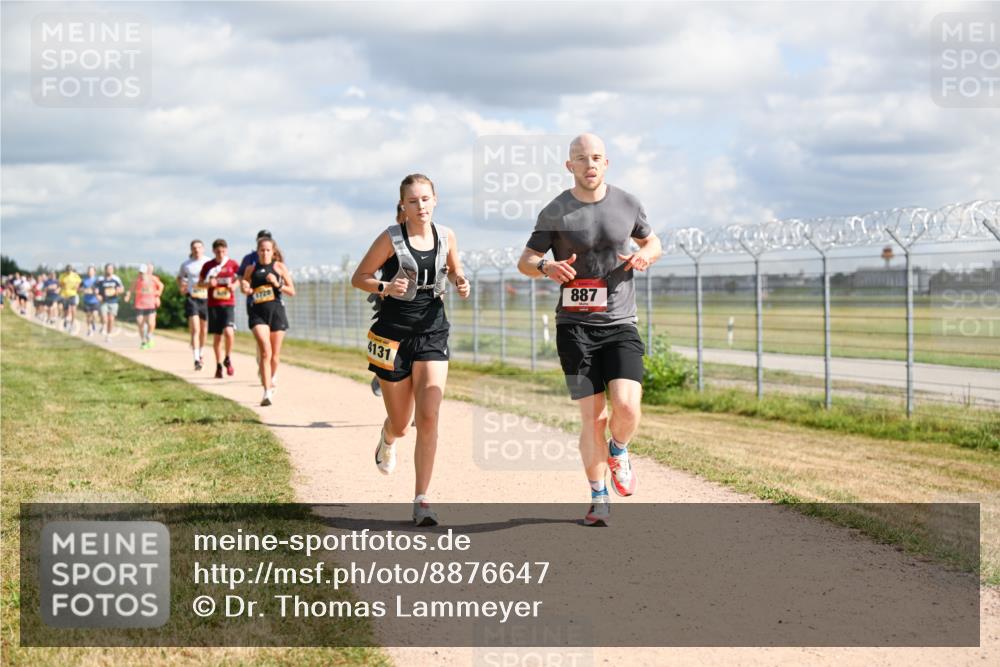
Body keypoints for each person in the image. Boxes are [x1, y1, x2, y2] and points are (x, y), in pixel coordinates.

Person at [517, 133, 662, 527]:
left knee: (627, 406)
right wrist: (546, 266)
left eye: (596, 157)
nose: (589, 164)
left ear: (606, 163)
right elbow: (526, 260)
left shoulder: (628, 203)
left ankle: (619, 448)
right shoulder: (555, 211)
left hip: (620, 323)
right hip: (574, 327)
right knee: (593, 418)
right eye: (581, 158)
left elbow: (653, 242)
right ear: (570, 166)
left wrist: (645, 256)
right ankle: (598, 496)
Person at [351, 173, 471, 526]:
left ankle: (422, 500)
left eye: (426, 199)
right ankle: (387, 438)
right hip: (393, 336)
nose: (421, 206)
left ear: (435, 199)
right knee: (402, 424)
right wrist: (385, 286)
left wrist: (460, 282)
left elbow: (455, 270)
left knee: (429, 416)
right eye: (413, 201)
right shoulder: (390, 238)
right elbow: (359, 277)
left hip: (433, 332)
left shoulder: (446, 236)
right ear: (403, 205)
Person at [240, 236, 295, 405]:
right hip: (258, 313)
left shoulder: (279, 267)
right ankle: (266, 392)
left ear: (273, 251)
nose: (264, 253)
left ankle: (271, 378)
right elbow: (245, 285)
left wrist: (277, 283)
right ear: (257, 251)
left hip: (276, 312)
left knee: (274, 355)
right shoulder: (251, 268)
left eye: (268, 250)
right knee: (265, 351)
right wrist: (245, 287)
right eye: (262, 250)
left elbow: (292, 291)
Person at [199, 239, 240, 378]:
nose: (221, 254)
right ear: (213, 251)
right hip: (213, 305)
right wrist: (208, 284)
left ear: (226, 250)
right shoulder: (208, 266)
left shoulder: (232, 264)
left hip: (228, 303)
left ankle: (227, 358)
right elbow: (200, 283)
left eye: (223, 251)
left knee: (229, 332)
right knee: (217, 337)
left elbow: (240, 278)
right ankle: (218, 365)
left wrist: (234, 286)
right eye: (218, 252)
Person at [239, 230, 273, 383]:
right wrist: (244, 285)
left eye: (268, 239)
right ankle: (262, 361)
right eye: (262, 239)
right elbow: (241, 277)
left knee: (270, 340)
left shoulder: (275, 256)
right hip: (253, 302)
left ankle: (267, 365)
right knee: (261, 338)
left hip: (272, 304)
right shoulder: (248, 259)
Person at [178, 239, 210, 370]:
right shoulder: (186, 264)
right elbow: (180, 277)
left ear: (203, 249)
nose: (197, 250)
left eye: (199, 247)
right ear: (191, 250)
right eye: (194, 248)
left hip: (206, 298)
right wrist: (182, 287)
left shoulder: (209, 262)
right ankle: (196, 358)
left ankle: (201, 353)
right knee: (196, 329)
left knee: (204, 329)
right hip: (192, 298)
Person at [124, 264, 164, 349]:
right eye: (140, 273)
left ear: (147, 272)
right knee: (140, 323)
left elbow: (161, 286)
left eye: (143, 273)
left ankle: (149, 335)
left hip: (151, 304)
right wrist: (127, 296)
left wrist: (157, 296)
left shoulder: (153, 279)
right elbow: (130, 290)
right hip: (140, 305)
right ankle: (143, 341)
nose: (141, 274)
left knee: (151, 322)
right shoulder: (136, 280)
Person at [96, 263, 125, 340]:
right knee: (104, 318)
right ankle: (103, 325)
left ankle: (108, 335)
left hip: (113, 301)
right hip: (104, 301)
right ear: (105, 270)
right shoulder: (100, 279)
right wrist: (97, 295)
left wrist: (119, 291)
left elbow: (122, 289)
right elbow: (96, 289)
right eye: (108, 269)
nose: (110, 270)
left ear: (113, 270)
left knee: (111, 319)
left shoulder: (116, 279)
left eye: (111, 269)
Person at [58, 264, 82, 333]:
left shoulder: (75, 275)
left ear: (71, 270)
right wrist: (62, 284)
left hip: (72, 294)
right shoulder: (62, 276)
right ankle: (66, 320)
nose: (68, 271)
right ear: (65, 270)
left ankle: (72, 322)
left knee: (73, 308)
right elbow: (60, 284)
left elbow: (79, 282)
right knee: (65, 310)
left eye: (70, 270)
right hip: (64, 295)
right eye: (67, 270)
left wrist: (77, 286)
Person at [80, 266, 102, 335]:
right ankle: (89, 330)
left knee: (95, 315)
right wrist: (83, 290)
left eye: (91, 271)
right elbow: (79, 288)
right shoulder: (84, 280)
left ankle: (93, 322)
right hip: (87, 301)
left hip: (95, 300)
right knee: (88, 316)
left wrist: (97, 291)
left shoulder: (97, 280)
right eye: (89, 271)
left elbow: (101, 288)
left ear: (94, 272)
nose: (90, 272)